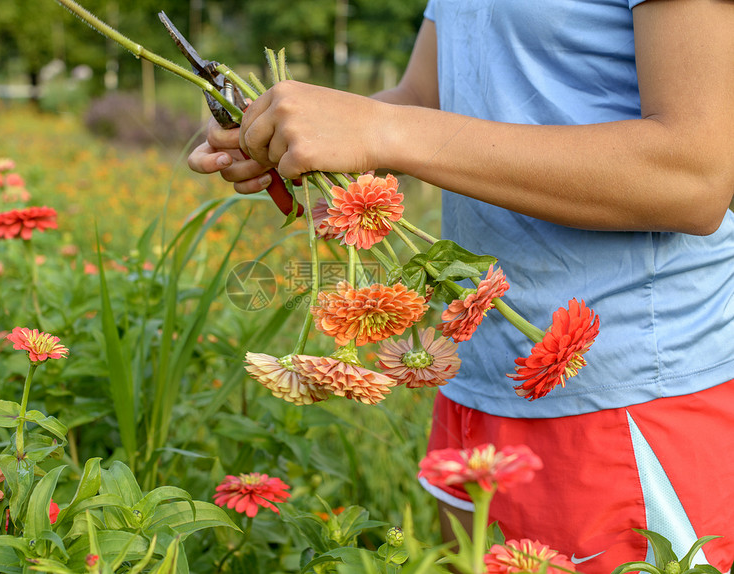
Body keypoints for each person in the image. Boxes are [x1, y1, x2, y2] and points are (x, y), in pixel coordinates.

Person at [188, 1, 734, 572]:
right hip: (477, 376)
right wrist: (295, 136)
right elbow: (425, 98)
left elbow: (694, 175)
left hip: (626, 396)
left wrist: (383, 130)